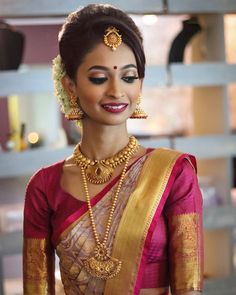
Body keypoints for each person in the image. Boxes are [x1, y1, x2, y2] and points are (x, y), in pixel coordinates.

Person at [23, 4, 203, 295]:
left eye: (129, 77)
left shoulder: (174, 174)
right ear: (70, 86)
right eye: (98, 78)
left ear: (140, 84)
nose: (117, 91)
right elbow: (35, 289)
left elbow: (190, 289)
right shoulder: (44, 187)